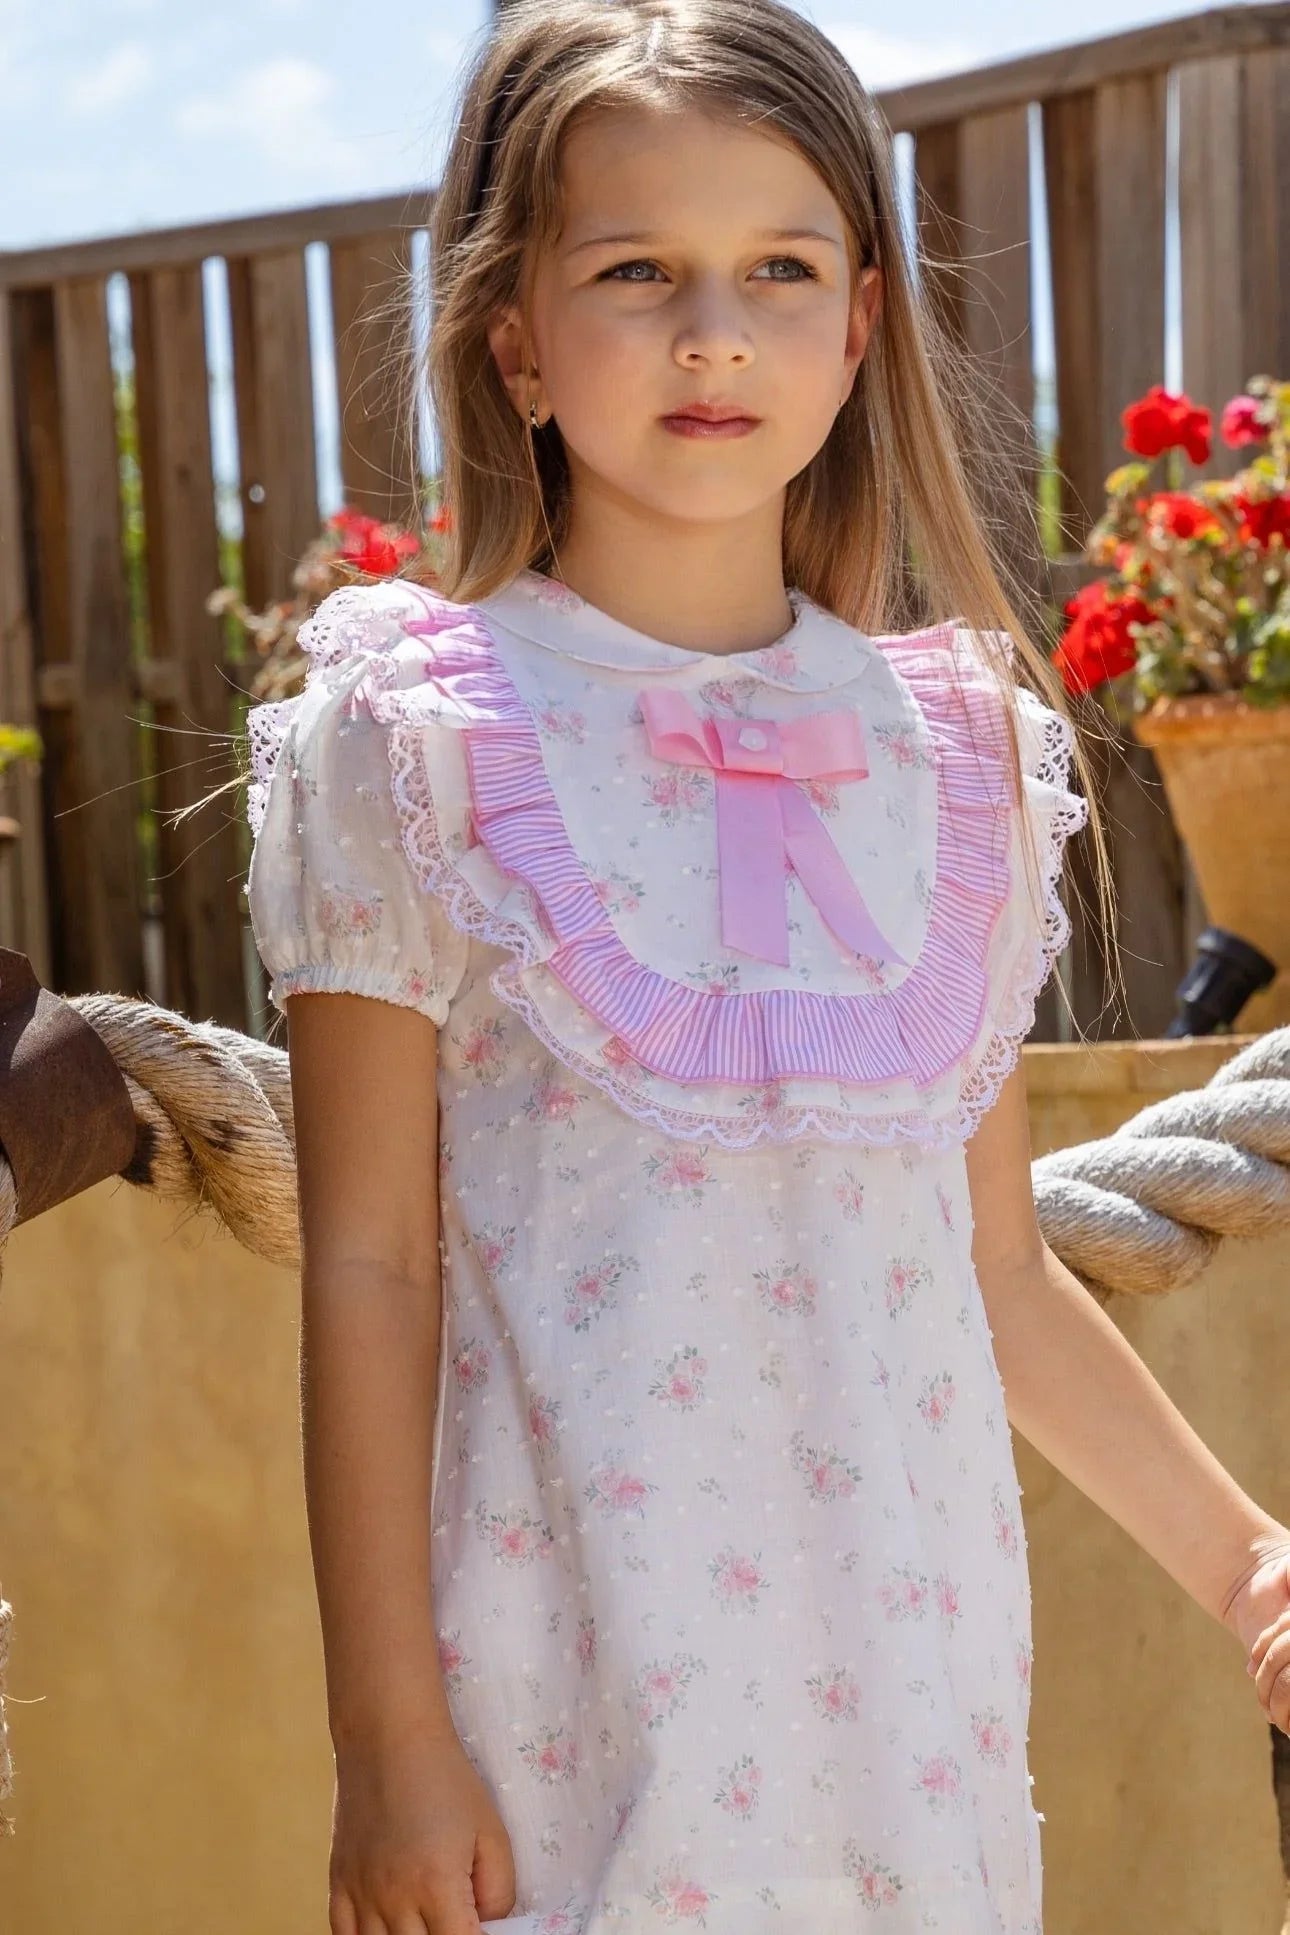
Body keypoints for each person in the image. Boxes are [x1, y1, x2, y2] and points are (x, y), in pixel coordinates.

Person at [241, 0, 1290, 1929]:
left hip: (915, 1711)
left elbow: (989, 1268)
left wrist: (1248, 1573)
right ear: (515, 340)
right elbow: (373, 1269)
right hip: (556, 1716)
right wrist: (387, 1738)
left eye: (777, 269)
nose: (713, 329)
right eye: (635, 271)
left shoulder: (958, 753)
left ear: (859, 330)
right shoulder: (413, 737)